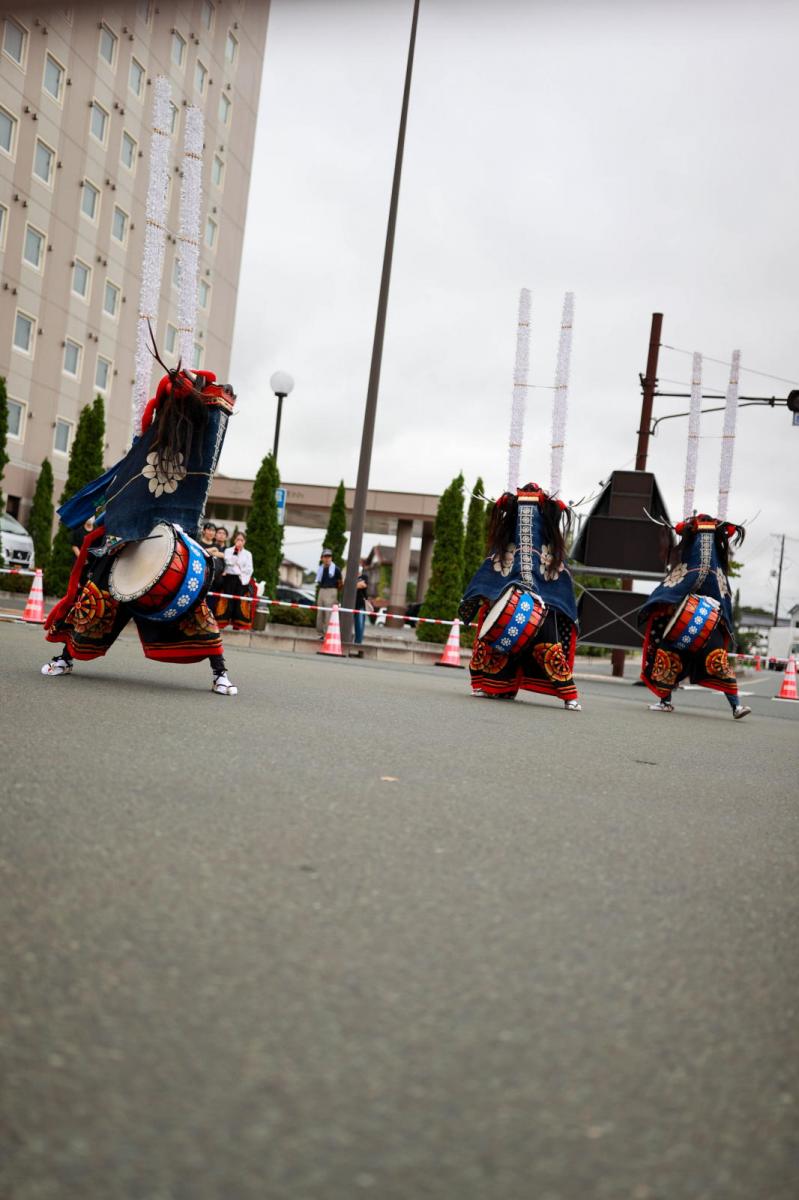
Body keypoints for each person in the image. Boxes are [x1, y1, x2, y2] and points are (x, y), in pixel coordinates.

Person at [41, 359, 239, 696]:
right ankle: (65, 657)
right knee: (96, 600)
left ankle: (219, 671)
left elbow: (218, 402)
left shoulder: (193, 451)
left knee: (195, 609)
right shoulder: (149, 441)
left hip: (167, 542)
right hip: (123, 540)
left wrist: (191, 384)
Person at [459, 483, 581, 710]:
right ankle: (497, 686)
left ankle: (569, 695)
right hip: (510, 595)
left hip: (541, 604)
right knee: (496, 638)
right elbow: (489, 576)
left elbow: (559, 584)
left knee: (548, 645)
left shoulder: (548, 551)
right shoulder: (506, 545)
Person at [639, 513, 751, 719]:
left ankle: (736, 706)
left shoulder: (715, 572)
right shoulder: (689, 566)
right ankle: (665, 701)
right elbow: (674, 588)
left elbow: (721, 597)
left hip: (710, 622)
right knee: (668, 653)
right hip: (683, 623)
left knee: (718, 660)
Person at [214, 531, 256, 631]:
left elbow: (250, 568)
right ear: (234, 540)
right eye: (238, 539)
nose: (239, 542)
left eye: (242, 540)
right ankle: (222, 623)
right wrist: (236, 551)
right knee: (227, 600)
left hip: (242, 579)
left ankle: (237, 625)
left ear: (244, 542)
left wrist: (240, 571)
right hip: (229, 578)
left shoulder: (248, 554)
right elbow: (229, 562)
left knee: (239, 602)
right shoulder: (228, 550)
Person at [315, 548, 342, 637]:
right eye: (325, 557)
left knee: (328, 613)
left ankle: (328, 634)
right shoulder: (320, 569)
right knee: (320, 612)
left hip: (332, 590)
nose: (327, 559)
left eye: (329, 557)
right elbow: (319, 581)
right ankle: (320, 633)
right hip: (322, 590)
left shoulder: (336, 569)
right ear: (322, 558)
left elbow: (340, 582)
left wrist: (336, 592)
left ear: (331, 558)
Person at [353, 568, 369, 645]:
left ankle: (358, 643)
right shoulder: (351, 576)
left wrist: (353, 585)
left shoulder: (364, 577)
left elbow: (363, 585)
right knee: (346, 624)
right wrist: (357, 584)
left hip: (360, 604)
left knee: (359, 624)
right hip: (350, 604)